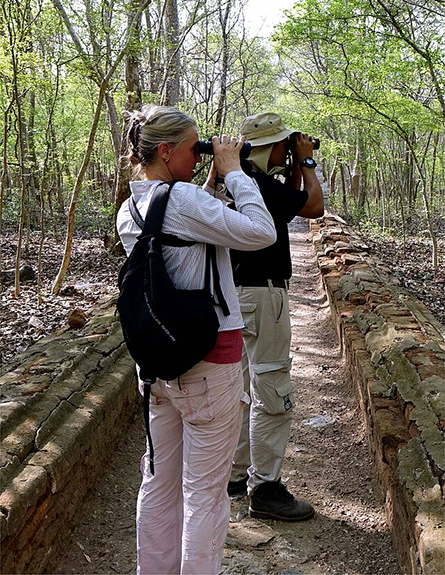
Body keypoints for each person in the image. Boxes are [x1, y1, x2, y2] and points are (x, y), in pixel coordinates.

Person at [116, 104, 276, 575]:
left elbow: (183, 227)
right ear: (165, 151)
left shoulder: (132, 206)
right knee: (204, 494)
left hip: (159, 367)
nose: (198, 156)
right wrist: (233, 173)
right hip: (210, 363)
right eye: (192, 149)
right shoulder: (184, 203)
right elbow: (261, 232)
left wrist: (206, 181)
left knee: (159, 483)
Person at [228, 112, 324, 521]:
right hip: (263, 296)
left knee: (244, 388)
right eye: (284, 145)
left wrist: (292, 167)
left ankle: (234, 476)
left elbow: (289, 210)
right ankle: (265, 488)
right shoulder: (258, 184)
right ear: (269, 148)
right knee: (272, 387)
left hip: (236, 296)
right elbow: (314, 207)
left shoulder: (240, 182)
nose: (290, 149)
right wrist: (307, 162)